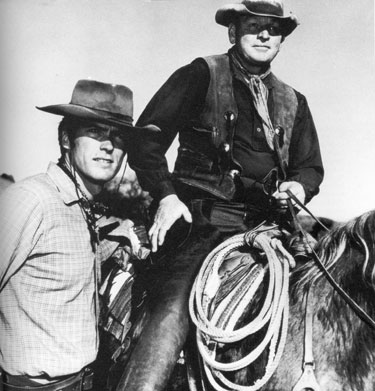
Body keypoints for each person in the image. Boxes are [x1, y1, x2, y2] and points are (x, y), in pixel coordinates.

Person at [120, 1, 324, 390]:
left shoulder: (294, 100)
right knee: (171, 312)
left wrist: (298, 186)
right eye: (254, 25)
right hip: (201, 224)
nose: (264, 35)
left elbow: (310, 166)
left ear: (281, 40)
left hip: (271, 229)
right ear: (233, 32)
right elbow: (147, 139)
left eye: (273, 29)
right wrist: (166, 196)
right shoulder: (201, 74)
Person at [0, 79, 155, 391]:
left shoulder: (83, 209)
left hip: (84, 382)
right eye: (95, 132)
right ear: (66, 139)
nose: (108, 145)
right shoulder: (31, 200)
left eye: (118, 136)